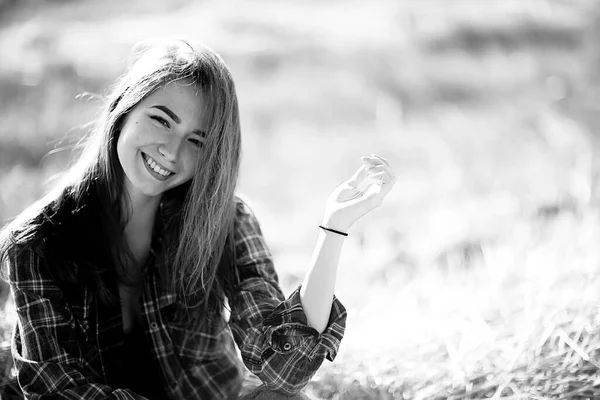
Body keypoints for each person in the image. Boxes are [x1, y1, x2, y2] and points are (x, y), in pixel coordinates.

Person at [0, 38, 396, 400]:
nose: (172, 152)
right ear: (124, 109)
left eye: (196, 141)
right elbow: (57, 389)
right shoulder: (36, 243)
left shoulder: (224, 219)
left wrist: (334, 227)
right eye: (161, 120)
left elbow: (284, 368)